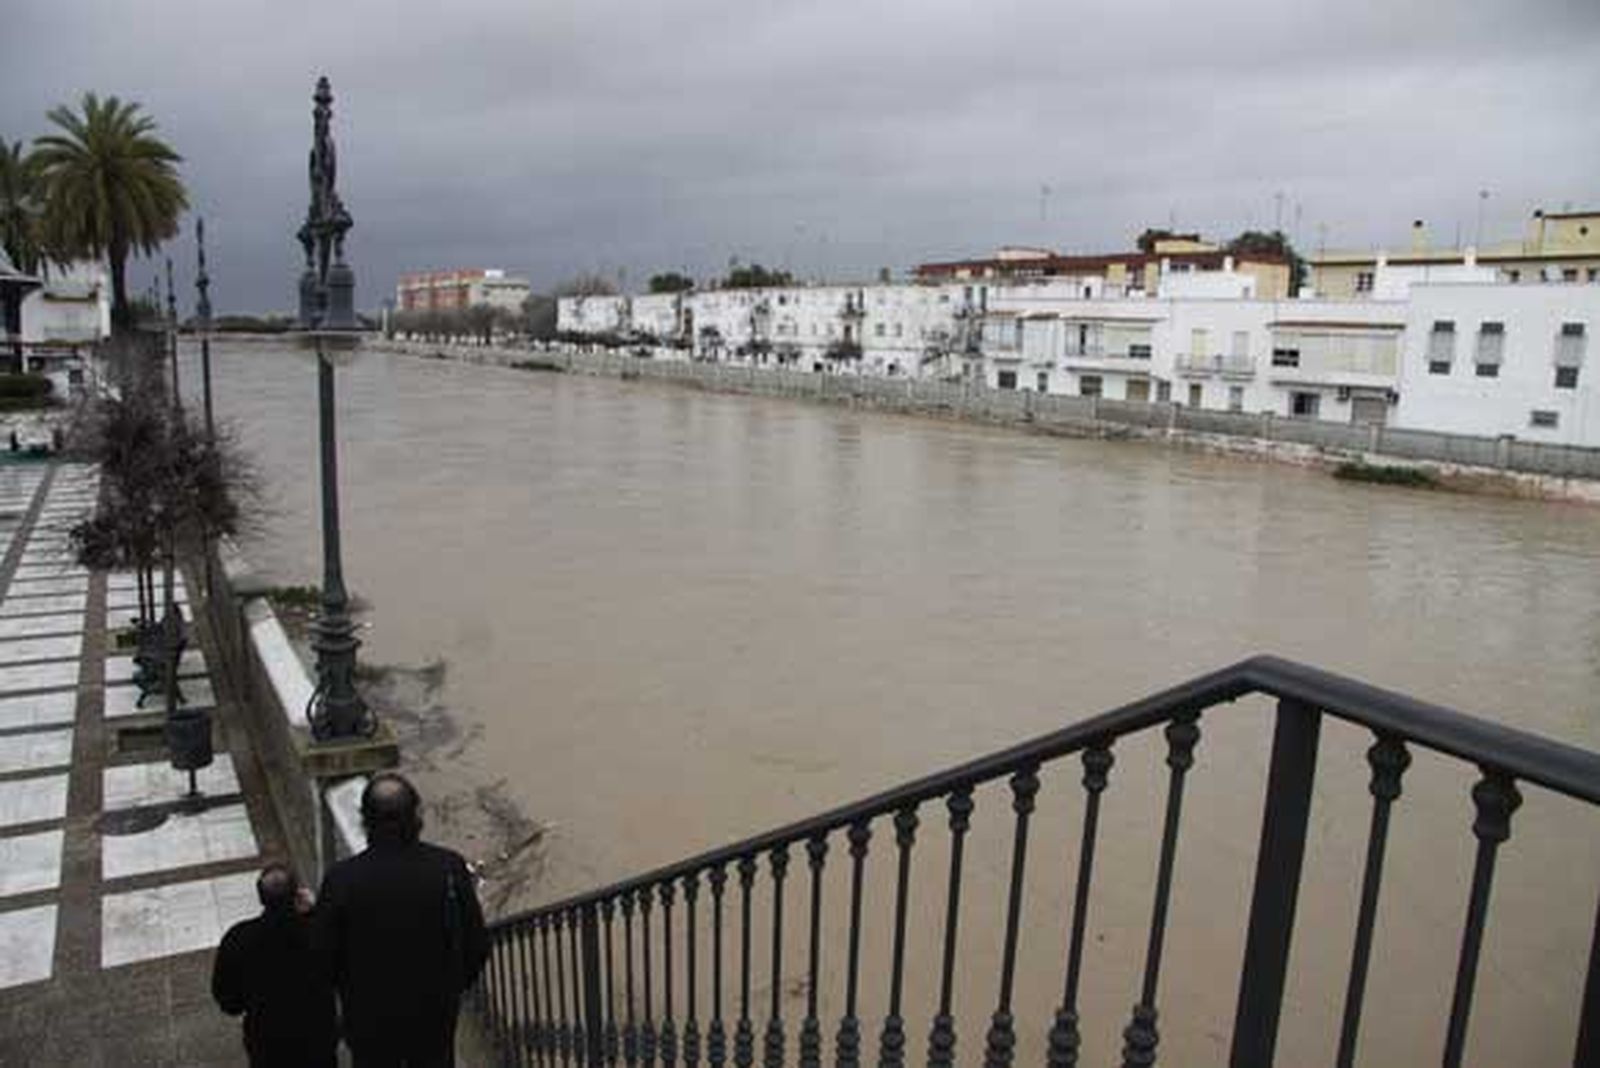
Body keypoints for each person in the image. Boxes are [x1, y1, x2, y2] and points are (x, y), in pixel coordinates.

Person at [315, 772, 489, 1067]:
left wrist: (348, 990)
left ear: (365, 819)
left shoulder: (342, 880)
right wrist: (452, 985)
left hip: (368, 1010)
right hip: (432, 1007)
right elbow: (476, 942)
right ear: (416, 815)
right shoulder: (447, 868)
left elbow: (323, 954)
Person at [211, 863, 338, 1067]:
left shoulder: (238, 938)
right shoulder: (318, 932)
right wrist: (314, 912)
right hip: (317, 1038)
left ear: (261, 897)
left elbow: (227, 999)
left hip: (267, 1043)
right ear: (297, 894)